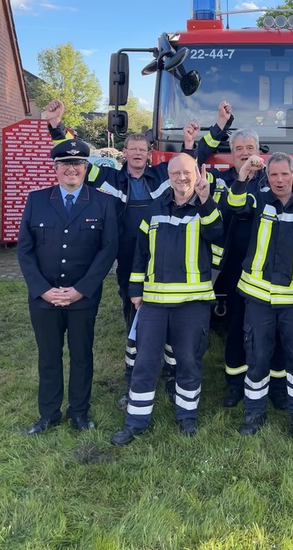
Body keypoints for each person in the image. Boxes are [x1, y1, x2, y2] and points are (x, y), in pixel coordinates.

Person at [44, 98, 232, 404]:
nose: (137, 154)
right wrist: (56, 126)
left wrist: (218, 126)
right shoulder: (108, 178)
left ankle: (170, 375)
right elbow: (74, 159)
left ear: (149, 154)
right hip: (129, 258)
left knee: (172, 317)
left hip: (164, 257)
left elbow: (193, 158)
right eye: (132, 150)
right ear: (125, 153)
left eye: (142, 150)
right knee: (135, 316)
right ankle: (134, 377)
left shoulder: (162, 175)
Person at [110, 153, 223, 445]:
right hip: (154, 303)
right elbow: (140, 252)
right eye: (175, 173)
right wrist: (135, 290)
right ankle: (136, 421)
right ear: (168, 177)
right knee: (145, 362)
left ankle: (187, 416)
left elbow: (218, 235)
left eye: (187, 173)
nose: (181, 178)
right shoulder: (153, 209)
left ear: (196, 175)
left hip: (193, 302)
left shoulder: (207, 207)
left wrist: (205, 201)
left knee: (188, 360)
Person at [17, 138, 118, 434]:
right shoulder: (37, 200)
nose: (71, 169)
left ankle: (78, 412)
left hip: (82, 297)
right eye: (64, 164)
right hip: (44, 297)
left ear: (86, 167)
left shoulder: (103, 202)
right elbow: (24, 249)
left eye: (77, 164)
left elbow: (108, 250)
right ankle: (48, 414)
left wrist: (80, 290)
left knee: (81, 356)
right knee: (49, 357)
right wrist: (42, 289)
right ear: (55, 168)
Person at [184, 126, 288, 410]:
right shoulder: (220, 180)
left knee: (275, 327)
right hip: (233, 264)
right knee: (236, 324)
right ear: (231, 154)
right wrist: (195, 141)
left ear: (259, 151)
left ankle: (277, 386)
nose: (244, 153)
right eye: (238, 149)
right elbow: (188, 168)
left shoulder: (272, 178)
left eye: (249, 148)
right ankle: (235, 383)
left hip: (270, 265)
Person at [226, 152, 293, 438]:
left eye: (284, 174)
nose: (279, 180)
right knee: (257, 359)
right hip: (258, 297)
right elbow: (234, 204)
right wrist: (243, 175)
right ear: (267, 177)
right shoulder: (258, 200)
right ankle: (254, 413)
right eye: (273, 175)